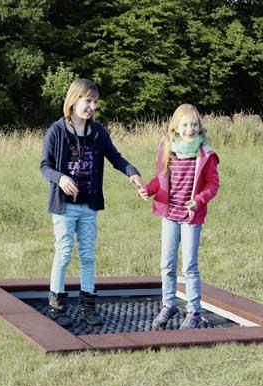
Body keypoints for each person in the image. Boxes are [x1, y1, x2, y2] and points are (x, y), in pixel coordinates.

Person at [40, 78, 145, 327]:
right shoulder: (56, 131)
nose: (92, 107)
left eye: (95, 102)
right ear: (73, 100)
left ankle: (88, 306)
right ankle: (57, 306)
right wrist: (61, 178)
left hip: (89, 205)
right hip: (64, 206)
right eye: (88, 101)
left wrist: (133, 173)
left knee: (87, 255)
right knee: (64, 253)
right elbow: (45, 166)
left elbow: (116, 157)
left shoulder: (98, 132)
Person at [137, 104, 220, 330]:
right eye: (185, 125)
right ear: (176, 127)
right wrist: (148, 189)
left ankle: (194, 311)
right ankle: (169, 304)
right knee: (167, 264)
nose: (190, 129)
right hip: (170, 215)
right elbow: (160, 179)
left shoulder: (205, 153)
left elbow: (213, 184)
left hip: (190, 217)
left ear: (199, 127)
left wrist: (199, 200)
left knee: (189, 266)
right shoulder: (168, 148)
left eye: (194, 125)